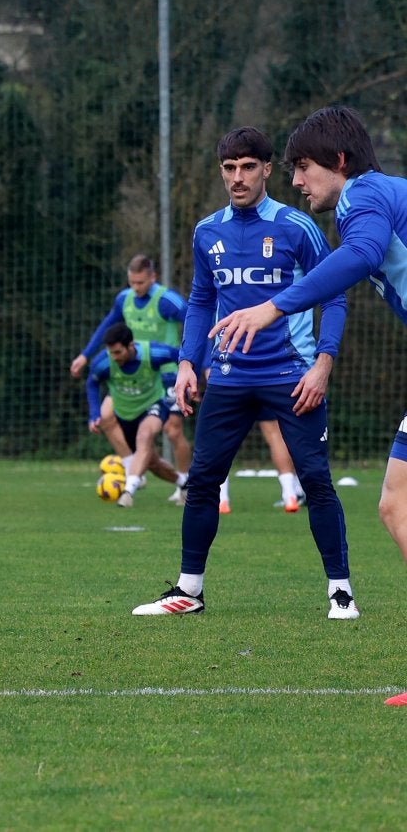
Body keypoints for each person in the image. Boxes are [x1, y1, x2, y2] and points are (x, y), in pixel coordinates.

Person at [209, 108, 407, 700]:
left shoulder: (361, 196)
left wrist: (273, 306)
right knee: (396, 502)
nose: (296, 181)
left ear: (338, 164)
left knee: (399, 502)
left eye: (302, 167)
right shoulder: (388, 191)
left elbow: (363, 253)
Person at [134, 126, 353, 621]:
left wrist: (323, 363)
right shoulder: (207, 230)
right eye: (229, 168)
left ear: (268, 169)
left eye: (248, 167)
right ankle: (189, 591)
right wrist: (189, 362)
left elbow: (334, 295)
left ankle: (340, 591)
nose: (238, 177)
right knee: (204, 480)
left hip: (291, 377)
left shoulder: (298, 227)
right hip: (229, 379)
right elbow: (200, 300)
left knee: (316, 480)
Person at [70, 254, 191, 498]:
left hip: (166, 372)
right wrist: (85, 355)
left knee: (173, 430)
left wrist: (198, 361)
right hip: (129, 371)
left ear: (152, 277)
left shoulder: (167, 300)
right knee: (105, 416)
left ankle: (187, 484)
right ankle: (132, 467)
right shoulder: (124, 299)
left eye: (141, 283)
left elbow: (195, 322)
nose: (136, 288)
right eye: (132, 283)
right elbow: (107, 327)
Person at [84, 323, 182, 507]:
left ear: (131, 345)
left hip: (153, 405)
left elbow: (181, 356)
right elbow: (92, 383)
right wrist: (94, 414)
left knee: (145, 435)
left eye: (118, 352)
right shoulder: (103, 362)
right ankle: (184, 484)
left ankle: (128, 491)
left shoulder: (153, 353)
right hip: (125, 413)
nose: (114, 357)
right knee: (152, 463)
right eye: (111, 352)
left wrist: (189, 378)